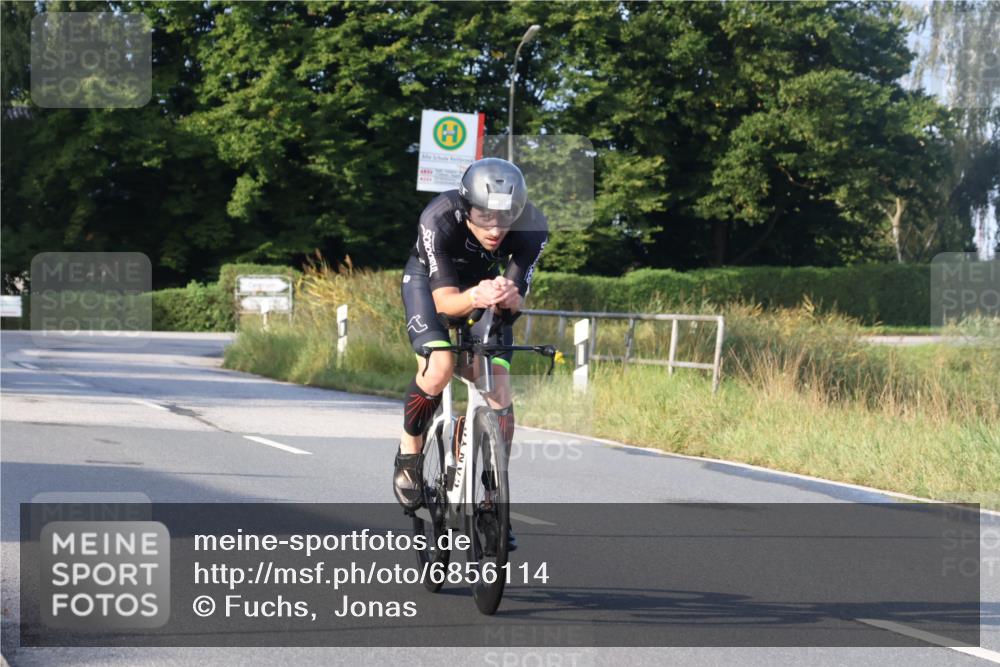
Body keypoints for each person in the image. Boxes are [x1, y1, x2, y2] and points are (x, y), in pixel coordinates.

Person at [395, 157, 548, 551]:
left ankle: (493, 500)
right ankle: (409, 455)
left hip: (484, 290)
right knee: (442, 364)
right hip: (430, 285)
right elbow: (446, 304)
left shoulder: (532, 227)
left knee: (498, 388)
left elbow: (513, 302)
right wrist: (476, 295)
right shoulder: (439, 217)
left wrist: (511, 299)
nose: (496, 229)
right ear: (466, 208)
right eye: (484, 217)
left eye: (506, 218)